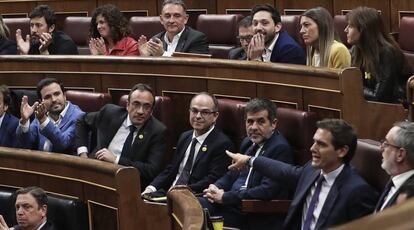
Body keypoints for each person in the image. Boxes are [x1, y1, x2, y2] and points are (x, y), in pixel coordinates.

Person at [227, 119, 377, 230]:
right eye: (314, 142)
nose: (312, 148)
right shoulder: (311, 171)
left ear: (342, 151)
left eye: (321, 144)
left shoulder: (356, 191)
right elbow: (284, 171)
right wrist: (249, 160)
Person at [200, 98, 293, 229]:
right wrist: (215, 187)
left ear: (273, 123)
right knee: (193, 206)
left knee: (199, 218)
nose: (254, 127)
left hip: (253, 214)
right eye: (250, 121)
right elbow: (232, 174)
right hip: (233, 203)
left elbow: (266, 191)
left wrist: (225, 197)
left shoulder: (279, 149)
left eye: (260, 121)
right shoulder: (248, 143)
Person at [142, 92, 234, 196]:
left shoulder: (222, 144)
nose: (198, 116)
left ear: (215, 116)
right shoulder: (185, 137)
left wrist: (180, 191)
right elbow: (171, 169)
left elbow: (212, 179)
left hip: (194, 197)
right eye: (194, 111)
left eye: (205, 112)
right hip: (169, 192)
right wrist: (152, 187)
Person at [76, 83, 167, 188]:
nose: (141, 111)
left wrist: (116, 160)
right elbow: (82, 121)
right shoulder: (110, 113)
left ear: (151, 110)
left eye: (146, 106)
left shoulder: (158, 131)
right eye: (136, 104)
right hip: (95, 174)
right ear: (128, 105)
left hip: (126, 184)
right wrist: (83, 154)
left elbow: (151, 170)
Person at [345, 6, 412, 103]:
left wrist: (352, 87)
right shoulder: (356, 49)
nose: (345, 30)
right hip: (368, 107)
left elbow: (380, 97)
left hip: (395, 109)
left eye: (350, 26)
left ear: (364, 29)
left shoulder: (387, 53)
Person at [15, 78, 84, 154]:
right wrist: (24, 121)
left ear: (64, 95)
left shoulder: (79, 116)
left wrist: (43, 120)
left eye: (57, 94)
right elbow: (26, 144)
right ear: (41, 101)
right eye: (47, 97)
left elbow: (63, 143)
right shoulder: (41, 115)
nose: (54, 99)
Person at [138, 0, 209, 57]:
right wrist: (146, 57)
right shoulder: (155, 40)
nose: (171, 21)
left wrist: (163, 54)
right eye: (167, 16)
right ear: (161, 19)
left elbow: (196, 68)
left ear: (185, 19)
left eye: (177, 16)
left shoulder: (197, 39)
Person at [375, 121, 414, 212]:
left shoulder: (409, 199)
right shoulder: (394, 180)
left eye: (386, 144)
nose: (381, 148)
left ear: (400, 155)